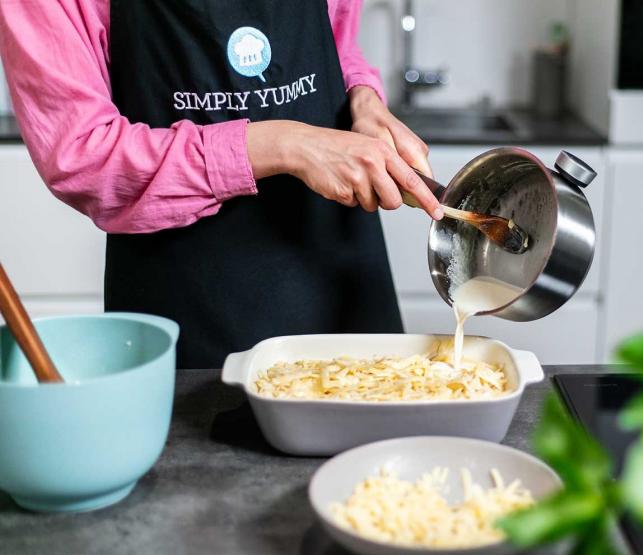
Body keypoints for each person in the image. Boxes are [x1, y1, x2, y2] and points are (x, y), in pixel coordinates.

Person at [0, 0, 443, 368]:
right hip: (191, 299)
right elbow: (82, 158)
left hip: (340, 271)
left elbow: (338, 41)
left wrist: (364, 98)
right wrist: (285, 144)